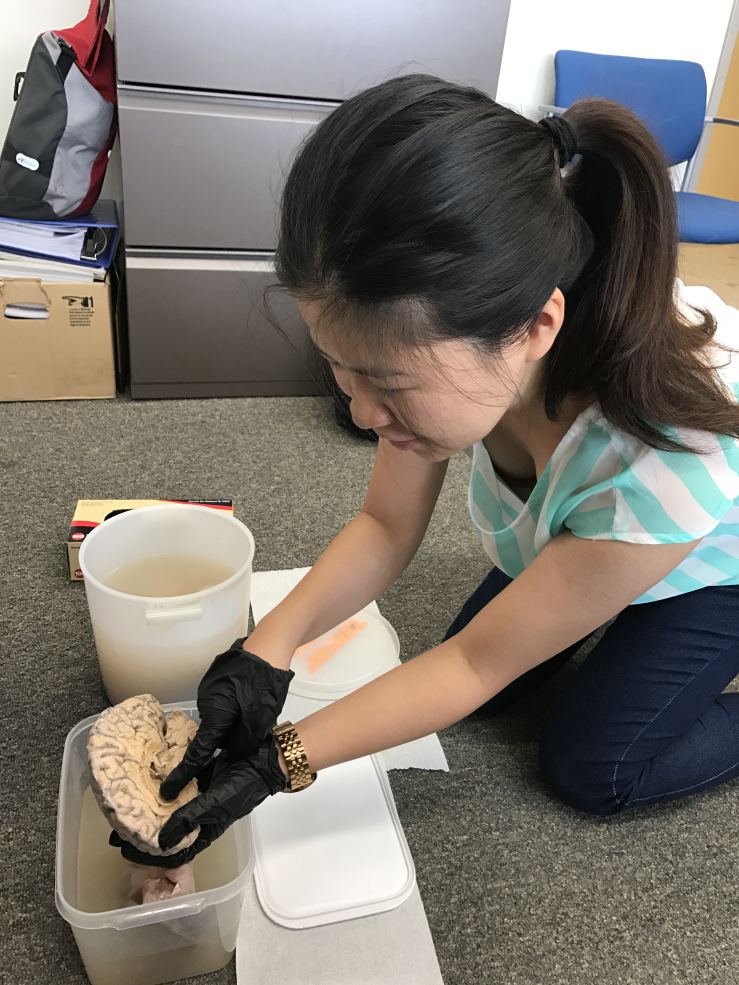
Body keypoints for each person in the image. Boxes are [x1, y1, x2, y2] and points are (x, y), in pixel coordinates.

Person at [112, 75, 739, 868]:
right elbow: (384, 524)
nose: (363, 411)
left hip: (715, 568)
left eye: (390, 385)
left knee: (588, 765)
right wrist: (264, 647)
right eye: (340, 367)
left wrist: (281, 763)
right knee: (473, 693)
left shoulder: (665, 454)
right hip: (590, 537)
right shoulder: (460, 336)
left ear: (534, 327)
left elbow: (475, 664)